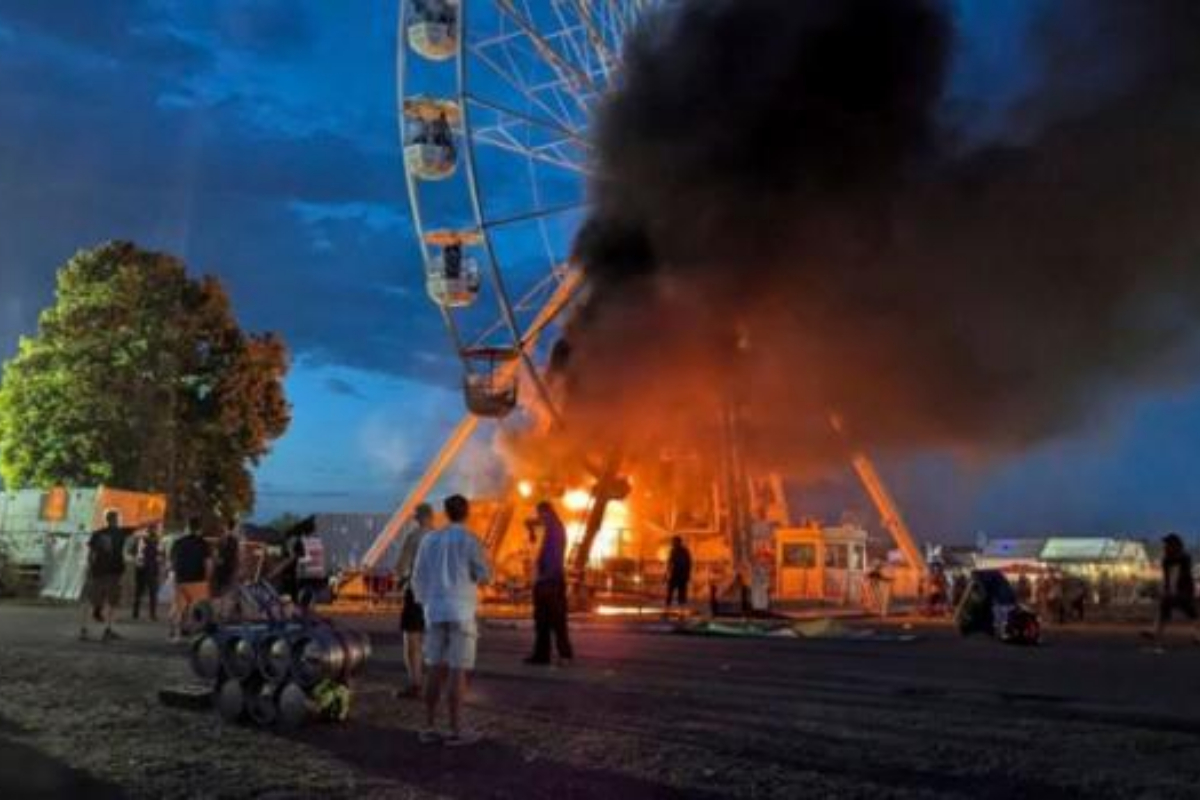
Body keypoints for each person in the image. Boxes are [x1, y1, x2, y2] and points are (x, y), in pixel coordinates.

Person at [411, 494, 491, 746]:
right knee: (458, 670)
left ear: (445, 513)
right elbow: (484, 576)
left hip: (434, 610)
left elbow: (418, 577)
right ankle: (457, 730)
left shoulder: (429, 540)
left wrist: (426, 603)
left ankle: (429, 726)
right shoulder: (470, 540)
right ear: (466, 512)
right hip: (461, 612)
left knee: (435, 667)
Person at [525, 501, 573, 666]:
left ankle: (558, 655)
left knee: (554, 620)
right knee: (544, 621)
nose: (539, 518)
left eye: (540, 514)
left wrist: (542, 577)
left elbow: (552, 558)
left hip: (549, 581)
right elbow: (533, 521)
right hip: (550, 580)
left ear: (545, 512)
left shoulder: (553, 528)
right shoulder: (554, 525)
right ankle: (544, 655)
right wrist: (530, 526)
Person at [395, 503, 435, 697]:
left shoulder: (414, 537)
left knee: (412, 639)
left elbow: (401, 567)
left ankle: (416, 684)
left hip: (417, 594)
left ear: (419, 518)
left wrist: (401, 578)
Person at [80, 510, 132, 641]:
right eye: (118, 518)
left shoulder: (97, 534)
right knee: (112, 602)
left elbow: (90, 554)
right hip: (114, 571)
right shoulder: (121, 533)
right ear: (116, 520)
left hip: (98, 571)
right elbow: (138, 527)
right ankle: (107, 630)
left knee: (90, 600)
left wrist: (90, 569)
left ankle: (84, 629)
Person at [1145, 533, 1198, 646]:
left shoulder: (1184, 558)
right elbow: (1167, 577)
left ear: (1176, 545)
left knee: (1191, 611)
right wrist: (1166, 590)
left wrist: (1175, 591)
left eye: (1168, 544)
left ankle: (1155, 631)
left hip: (1185, 590)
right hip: (1173, 591)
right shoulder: (1166, 560)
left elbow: (1183, 576)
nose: (1165, 546)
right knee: (1165, 607)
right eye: (1166, 544)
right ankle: (1155, 632)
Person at [169, 517, 211, 642]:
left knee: (179, 608)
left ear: (187, 527)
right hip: (197, 579)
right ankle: (193, 636)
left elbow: (171, 561)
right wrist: (208, 579)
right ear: (199, 528)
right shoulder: (203, 543)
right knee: (195, 609)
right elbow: (207, 563)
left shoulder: (178, 542)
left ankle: (177, 635)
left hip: (180, 578)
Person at [130, 523, 163, 622]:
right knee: (151, 593)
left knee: (139, 592)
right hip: (150, 569)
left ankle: (136, 613)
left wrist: (137, 559)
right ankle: (151, 614)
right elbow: (161, 554)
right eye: (154, 528)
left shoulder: (141, 539)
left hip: (142, 568)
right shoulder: (156, 540)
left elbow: (132, 552)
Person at [211, 520, 242, 607]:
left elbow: (215, 555)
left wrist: (217, 562)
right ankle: (225, 609)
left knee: (220, 592)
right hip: (229, 569)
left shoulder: (221, 539)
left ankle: (220, 609)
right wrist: (238, 568)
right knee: (227, 591)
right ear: (234, 528)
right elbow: (237, 556)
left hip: (220, 569)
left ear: (226, 527)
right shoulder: (234, 541)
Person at [665, 536, 693, 610]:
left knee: (678, 591)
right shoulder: (675, 551)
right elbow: (670, 562)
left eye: (674, 542)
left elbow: (688, 563)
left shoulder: (682, 551)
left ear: (678, 542)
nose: (673, 543)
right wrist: (666, 573)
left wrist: (687, 574)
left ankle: (679, 607)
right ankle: (670, 606)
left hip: (680, 574)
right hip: (678, 573)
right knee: (672, 590)